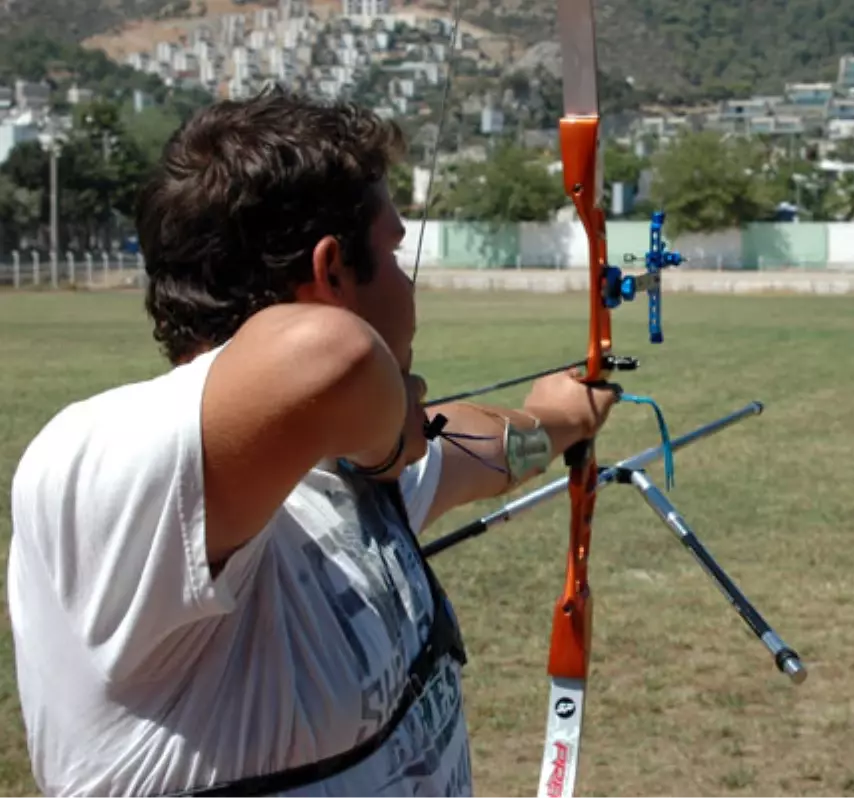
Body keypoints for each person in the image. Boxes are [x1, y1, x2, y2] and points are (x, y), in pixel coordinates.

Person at [6, 87, 618, 797]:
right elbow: (331, 356)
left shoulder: (336, 472)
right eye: (393, 251)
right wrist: (392, 438)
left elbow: (475, 448)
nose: (408, 286)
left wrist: (559, 419)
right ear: (331, 271)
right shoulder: (102, 471)